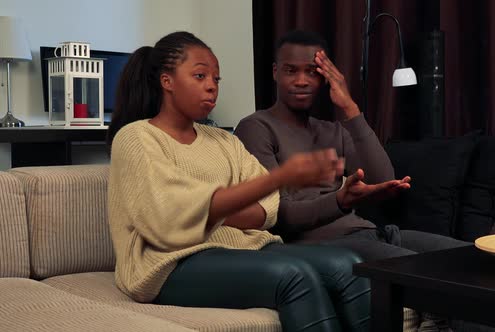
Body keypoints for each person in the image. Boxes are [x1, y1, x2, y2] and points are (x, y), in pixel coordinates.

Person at [106, 31, 371, 332]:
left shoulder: (223, 141)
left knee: (348, 265)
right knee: (293, 275)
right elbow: (168, 218)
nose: (211, 86)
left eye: (216, 79)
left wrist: (209, 212)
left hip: (246, 249)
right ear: (167, 81)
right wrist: (279, 178)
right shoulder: (137, 138)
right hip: (168, 264)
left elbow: (268, 209)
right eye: (200, 75)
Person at [234, 30, 470, 331]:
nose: (302, 81)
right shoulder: (256, 128)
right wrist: (339, 200)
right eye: (291, 71)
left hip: (375, 233)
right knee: (430, 274)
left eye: (312, 72)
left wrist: (349, 107)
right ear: (275, 72)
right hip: (326, 247)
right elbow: (279, 214)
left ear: (326, 78)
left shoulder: (333, 130)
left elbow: (384, 179)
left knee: (473, 259)